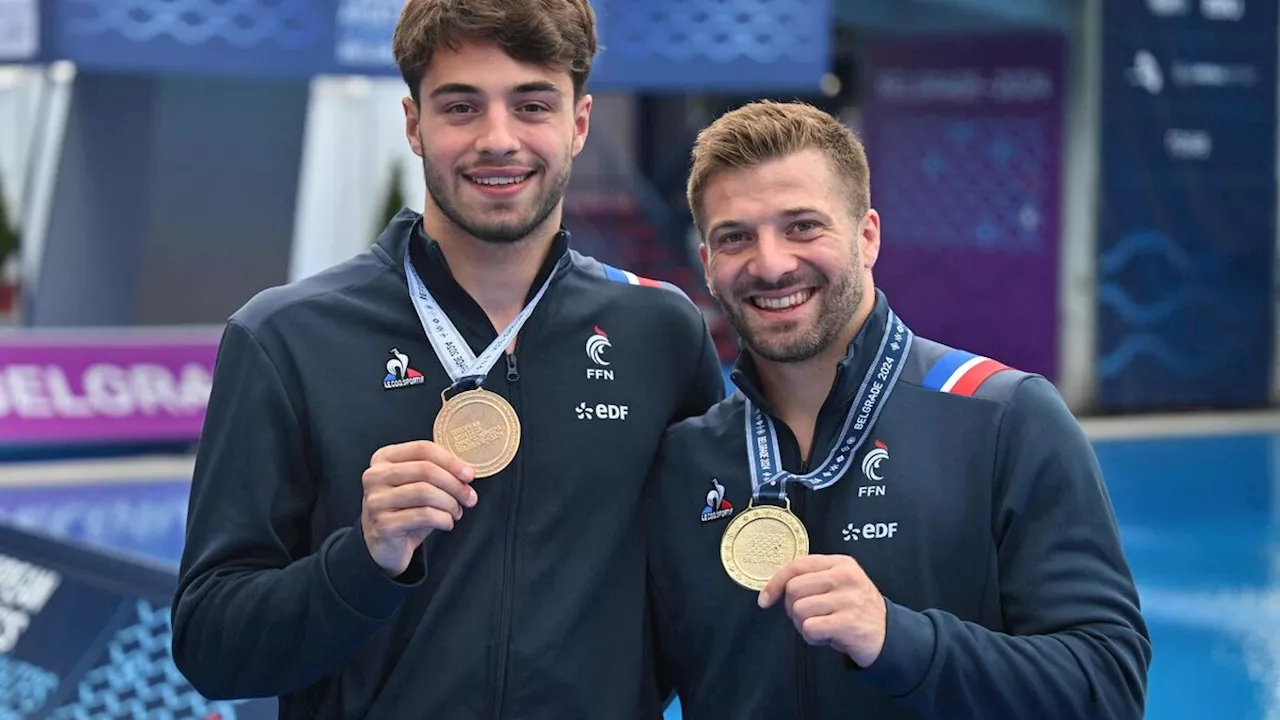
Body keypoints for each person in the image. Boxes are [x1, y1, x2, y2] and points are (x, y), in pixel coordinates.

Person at [169, 0, 725, 717]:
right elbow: (211, 648)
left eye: (532, 105)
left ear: (578, 123)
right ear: (414, 125)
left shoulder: (660, 336)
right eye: (462, 106)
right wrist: (362, 560)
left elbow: (706, 599)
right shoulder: (286, 338)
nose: (499, 140)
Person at [644, 100, 1152, 719]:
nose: (772, 263)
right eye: (736, 237)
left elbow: (1107, 687)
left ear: (867, 237)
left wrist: (900, 640)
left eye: (803, 226)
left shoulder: (1004, 418)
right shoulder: (688, 458)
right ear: (707, 265)